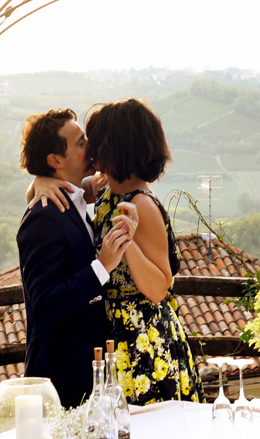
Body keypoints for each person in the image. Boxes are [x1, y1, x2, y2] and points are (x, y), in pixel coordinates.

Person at [85, 98, 202, 406]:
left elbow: (158, 287)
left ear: (115, 147)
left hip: (144, 343)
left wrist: (128, 243)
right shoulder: (105, 187)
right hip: (116, 337)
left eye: (97, 141)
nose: (90, 150)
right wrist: (41, 183)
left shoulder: (141, 204)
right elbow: (60, 186)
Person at [17, 108, 132, 407]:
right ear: (55, 161)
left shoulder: (76, 195)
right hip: (60, 379)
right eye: (81, 143)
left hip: (84, 374)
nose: (90, 146)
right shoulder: (42, 217)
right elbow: (45, 306)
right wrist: (102, 266)